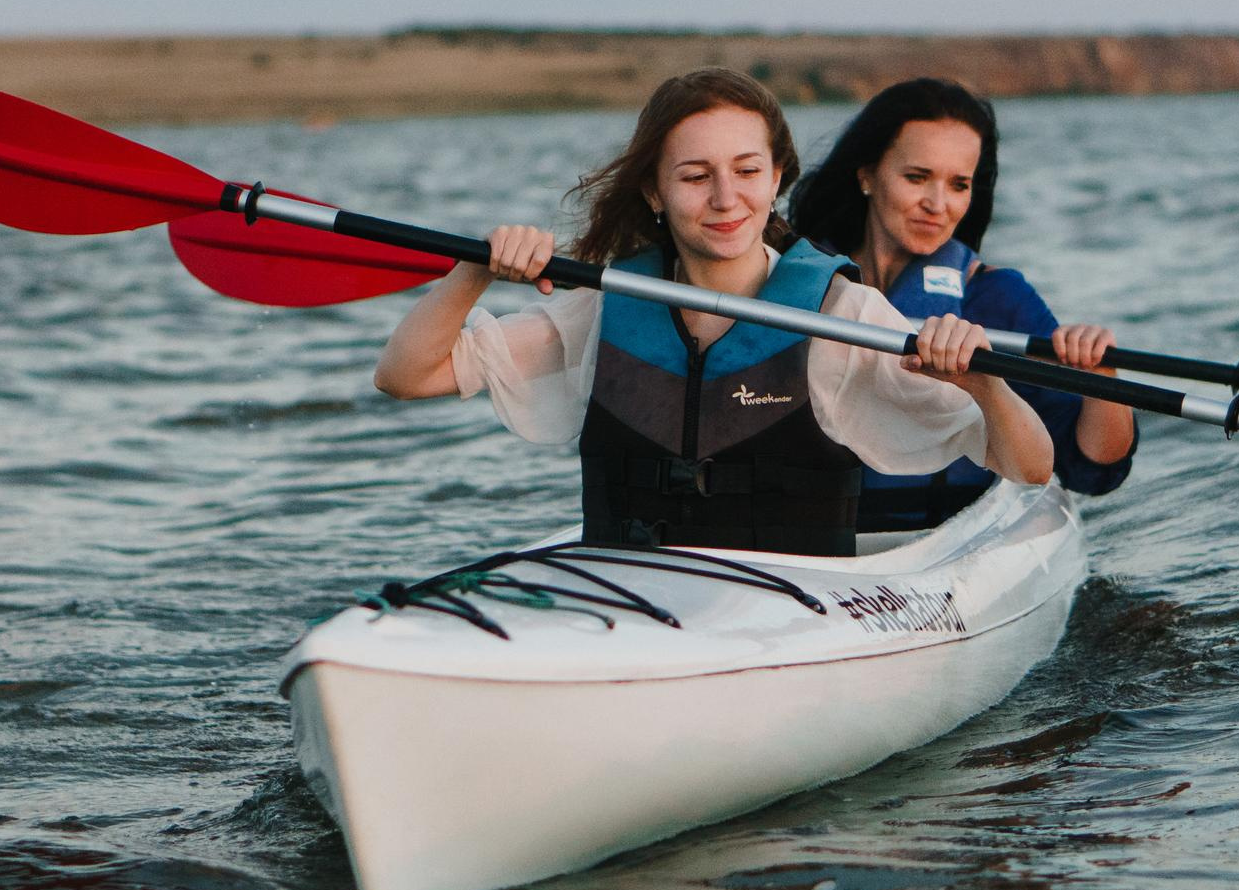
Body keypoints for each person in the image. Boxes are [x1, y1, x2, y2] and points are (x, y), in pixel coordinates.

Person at [374, 68, 1054, 556]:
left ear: (779, 176)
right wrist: (474, 272)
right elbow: (405, 376)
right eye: (696, 176)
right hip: (635, 592)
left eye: (748, 171)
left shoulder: (842, 314)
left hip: (796, 612)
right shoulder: (607, 310)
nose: (727, 198)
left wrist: (981, 381)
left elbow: (1028, 466)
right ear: (654, 191)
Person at [788, 77, 1135, 531]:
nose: (938, 204)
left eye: (958, 185)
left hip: (947, 537)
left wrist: (1100, 375)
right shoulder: (799, 286)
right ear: (867, 175)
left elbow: (1091, 469)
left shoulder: (997, 298)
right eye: (917, 177)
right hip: (814, 538)